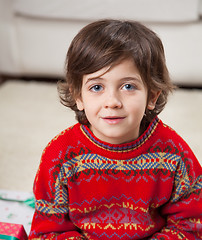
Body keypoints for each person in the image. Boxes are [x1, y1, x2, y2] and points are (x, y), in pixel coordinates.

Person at [29, 19, 202, 240]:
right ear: (78, 96)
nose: (112, 102)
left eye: (128, 86)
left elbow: (192, 223)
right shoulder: (60, 155)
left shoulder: (173, 152)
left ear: (152, 96)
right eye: (97, 87)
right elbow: (48, 229)